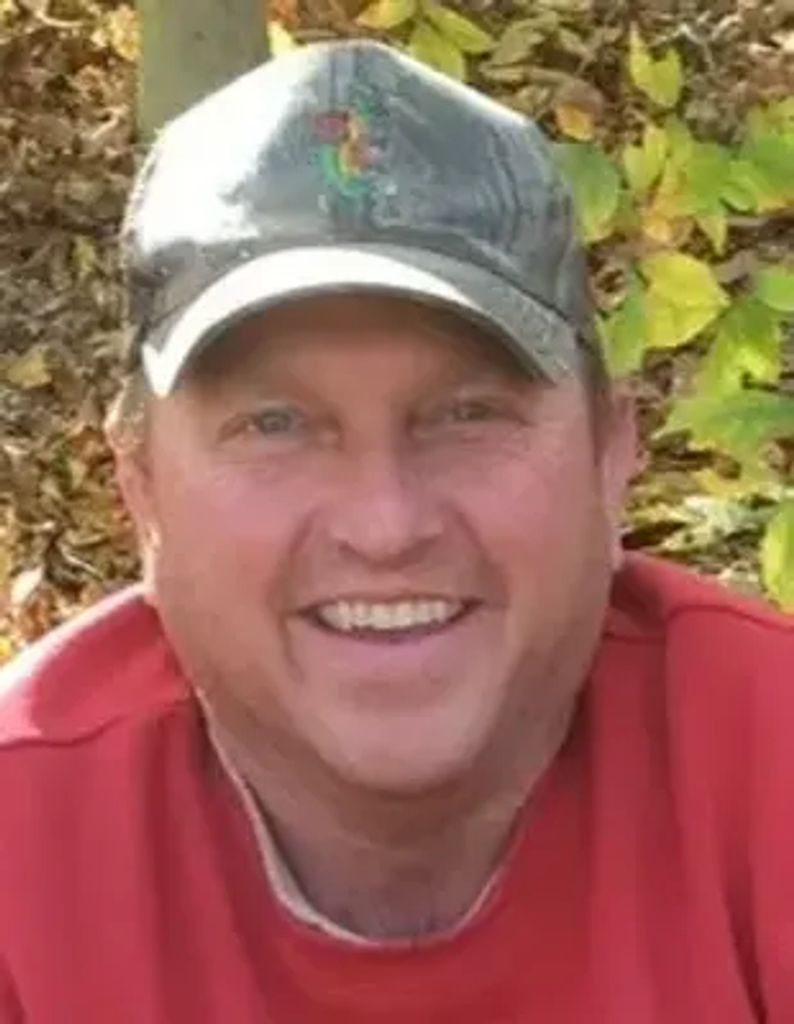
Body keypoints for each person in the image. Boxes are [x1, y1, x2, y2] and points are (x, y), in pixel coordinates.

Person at [0, 39, 792, 1024]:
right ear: (142, 489)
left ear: (609, 454)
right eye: (274, 424)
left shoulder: (767, 766)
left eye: (466, 413)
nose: (385, 524)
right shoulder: (23, 856)